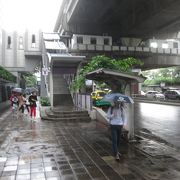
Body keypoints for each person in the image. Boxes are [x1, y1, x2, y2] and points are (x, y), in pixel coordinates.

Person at [106, 96, 126, 161]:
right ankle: (116, 154)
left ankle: (117, 151)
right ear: (114, 102)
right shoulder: (111, 108)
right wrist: (112, 115)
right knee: (114, 140)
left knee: (118, 140)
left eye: (119, 102)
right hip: (113, 125)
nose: (117, 103)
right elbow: (107, 116)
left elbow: (124, 117)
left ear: (120, 102)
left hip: (120, 126)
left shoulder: (122, 109)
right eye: (116, 102)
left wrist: (124, 125)